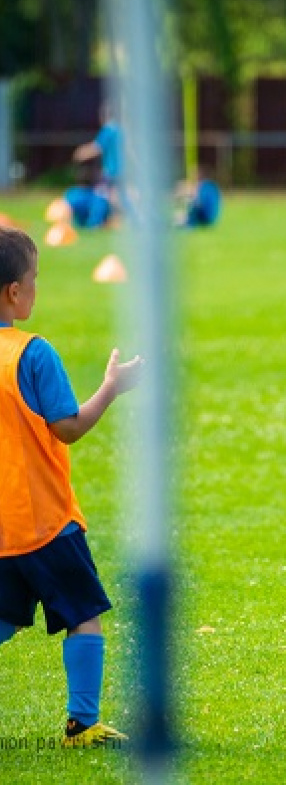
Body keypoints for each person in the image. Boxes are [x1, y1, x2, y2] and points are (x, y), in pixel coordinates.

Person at [0, 227, 144, 747]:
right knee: (83, 614)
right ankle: (81, 724)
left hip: (1, 528)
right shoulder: (32, 354)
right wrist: (110, 389)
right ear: (15, 292)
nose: (37, 286)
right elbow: (68, 428)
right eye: (34, 278)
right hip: (45, 521)